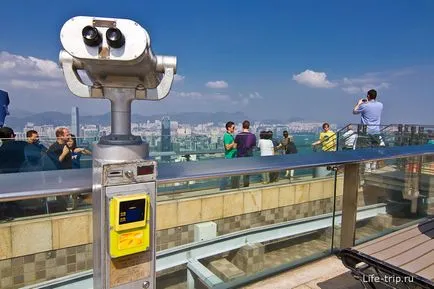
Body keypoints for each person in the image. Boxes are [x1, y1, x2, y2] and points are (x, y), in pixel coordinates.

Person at [353, 89, 384, 172]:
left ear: (368, 96)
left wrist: (359, 103)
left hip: (366, 131)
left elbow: (354, 111)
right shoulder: (380, 105)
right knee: (375, 148)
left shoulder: (364, 105)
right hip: (376, 130)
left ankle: (367, 168)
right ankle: (373, 165)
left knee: (365, 149)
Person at [235, 120, 257, 187]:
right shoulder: (253, 136)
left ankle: (238, 185)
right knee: (247, 172)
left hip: (240, 156)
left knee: (239, 171)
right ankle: (246, 185)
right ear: (249, 127)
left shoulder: (238, 135)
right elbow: (253, 146)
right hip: (249, 156)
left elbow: (235, 146)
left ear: (242, 126)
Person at [220, 121, 238, 190]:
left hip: (233, 157)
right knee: (227, 174)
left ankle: (233, 186)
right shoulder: (226, 136)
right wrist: (234, 142)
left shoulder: (230, 135)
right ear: (229, 128)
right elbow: (227, 147)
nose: (234, 129)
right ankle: (223, 188)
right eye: (233, 127)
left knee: (232, 174)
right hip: (229, 158)